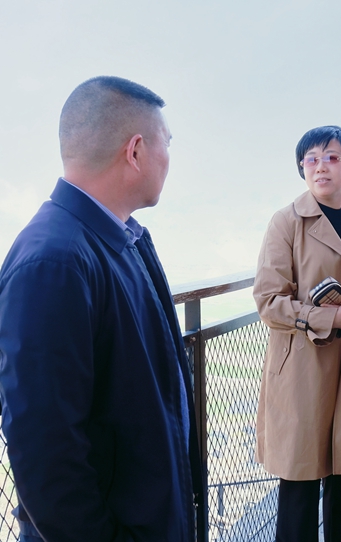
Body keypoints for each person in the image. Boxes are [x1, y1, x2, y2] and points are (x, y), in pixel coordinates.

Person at [0, 76, 205, 541]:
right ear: (135, 151)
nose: (169, 157)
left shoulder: (122, 238)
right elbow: (46, 452)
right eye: (166, 142)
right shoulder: (52, 261)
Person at [253, 125, 341, 542]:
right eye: (311, 159)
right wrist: (332, 319)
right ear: (302, 168)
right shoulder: (286, 222)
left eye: (332, 158)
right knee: (299, 479)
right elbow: (269, 300)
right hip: (302, 368)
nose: (321, 166)